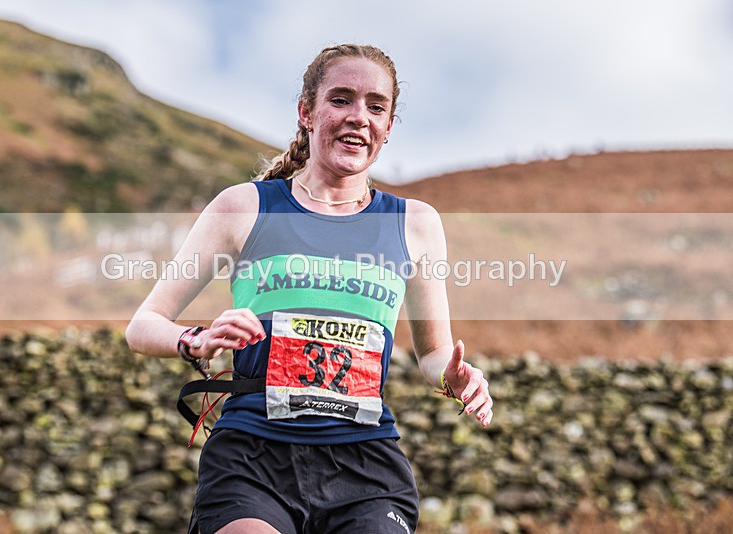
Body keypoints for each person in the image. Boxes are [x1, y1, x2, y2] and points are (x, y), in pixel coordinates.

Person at [126, 43, 493, 534]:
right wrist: (196, 339)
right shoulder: (245, 207)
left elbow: (433, 355)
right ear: (306, 112)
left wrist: (455, 378)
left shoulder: (416, 224)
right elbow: (142, 326)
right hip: (253, 457)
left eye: (376, 106)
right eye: (340, 99)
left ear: (387, 127)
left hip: (365, 465)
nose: (358, 117)